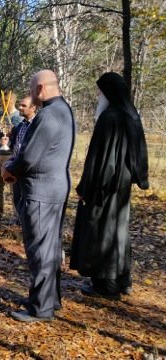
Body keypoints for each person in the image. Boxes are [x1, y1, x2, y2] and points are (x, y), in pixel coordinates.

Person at [2, 70, 76, 322]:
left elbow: (31, 157)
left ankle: (40, 308)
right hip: (53, 187)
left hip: (41, 190)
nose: (31, 95)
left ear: (42, 88)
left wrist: (9, 170)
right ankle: (49, 299)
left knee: (40, 250)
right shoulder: (63, 110)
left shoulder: (49, 115)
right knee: (50, 247)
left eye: (33, 89)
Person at [70, 72, 149, 299]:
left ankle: (106, 285)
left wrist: (88, 188)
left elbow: (101, 159)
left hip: (105, 185)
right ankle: (122, 279)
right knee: (118, 230)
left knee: (102, 232)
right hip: (121, 184)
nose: (98, 95)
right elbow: (138, 157)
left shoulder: (110, 117)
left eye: (100, 91)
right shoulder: (130, 114)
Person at [0, 92, 22, 220]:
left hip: (10, 154)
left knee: (13, 186)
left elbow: (10, 130)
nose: (3, 104)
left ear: (12, 101)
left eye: (6, 101)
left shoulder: (17, 117)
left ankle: (16, 214)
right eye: (2, 101)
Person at [8, 96, 37, 222]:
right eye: (20, 105)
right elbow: (15, 144)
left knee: (27, 197)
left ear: (33, 107)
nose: (20, 107)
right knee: (17, 196)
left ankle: (27, 222)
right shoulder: (20, 125)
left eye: (24, 106)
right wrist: (7, 142)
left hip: (28, 167)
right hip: (16, 165)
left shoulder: (37, 125)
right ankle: (19, 220)